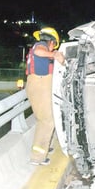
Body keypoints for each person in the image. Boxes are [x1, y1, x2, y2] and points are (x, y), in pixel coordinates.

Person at [26, 27, 65, 165]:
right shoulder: (41, 45)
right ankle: (38, 156)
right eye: (54, 45)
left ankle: (44, 146)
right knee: (47, 121)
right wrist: (54, 55)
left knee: (47, 118)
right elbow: (38, 51)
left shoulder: (44, 50)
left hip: (41, 85)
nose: (53, 47)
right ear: (51, 41)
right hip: (40, 84)